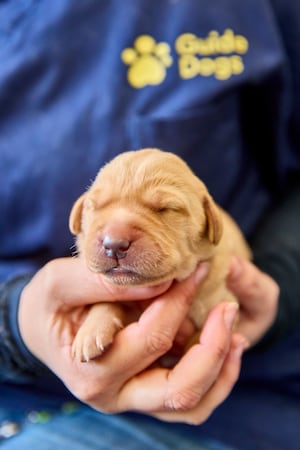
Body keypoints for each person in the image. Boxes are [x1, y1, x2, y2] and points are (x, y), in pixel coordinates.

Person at [0, 0, 300, 448]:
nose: (115, 236)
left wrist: (280, 280)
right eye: (98, 210)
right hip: (17, 391)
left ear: (208, 222)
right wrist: (13, 322)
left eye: (162, 210)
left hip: (249, 391)